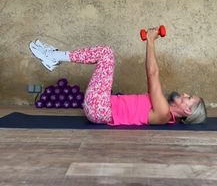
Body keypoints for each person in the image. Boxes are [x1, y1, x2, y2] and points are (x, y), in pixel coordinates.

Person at [29, 29, 207, 125]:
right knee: (105, 55)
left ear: (188, 112)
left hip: (100, 109)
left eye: (189, 98)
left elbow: (152, 74)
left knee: (106, 53)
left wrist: (151, 41)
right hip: (101, 106)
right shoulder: (163, 111)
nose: (185, 94)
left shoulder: (163, 113)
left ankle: (54, 57)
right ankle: (55, 57)